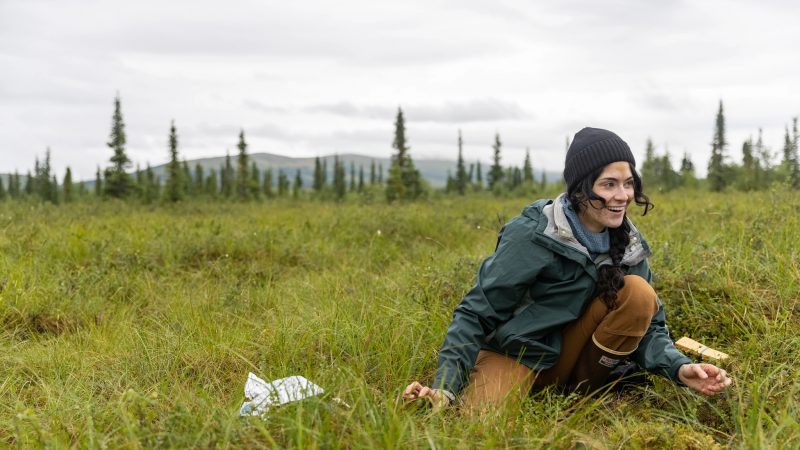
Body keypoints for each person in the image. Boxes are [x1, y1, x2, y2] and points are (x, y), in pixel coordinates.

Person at [403, 127, 732, 412]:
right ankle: (450, 398)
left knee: (638, 294)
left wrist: (679, 368)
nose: (623, 196)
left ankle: (579, 396)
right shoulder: (534, 234)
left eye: (628, 184)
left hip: (576, 362)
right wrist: (445, 386)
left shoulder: (628, 244)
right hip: (518, 354)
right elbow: (475, 312)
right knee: (480, 427)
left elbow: (650, 328)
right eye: (609, 185)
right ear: (581, 189)